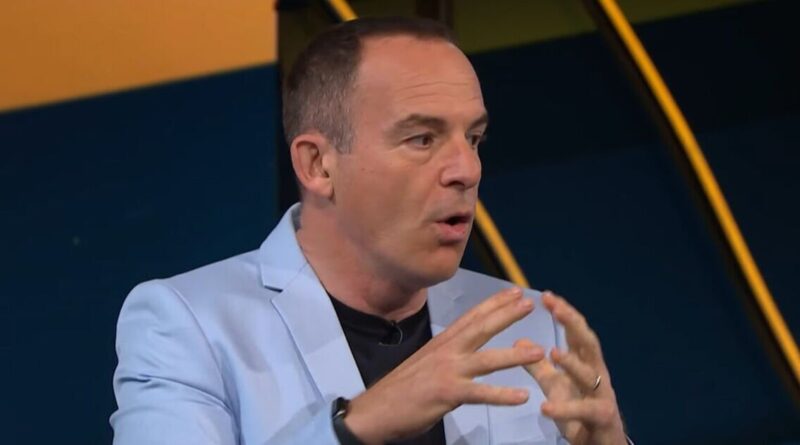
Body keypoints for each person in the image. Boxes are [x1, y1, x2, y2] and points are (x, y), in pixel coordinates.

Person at [111, 17, 629, 445]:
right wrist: (357, 426)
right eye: (422, 138)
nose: (466, 170)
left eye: (473, 138)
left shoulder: (531, 326)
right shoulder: (190, 326)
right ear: (317, 165)